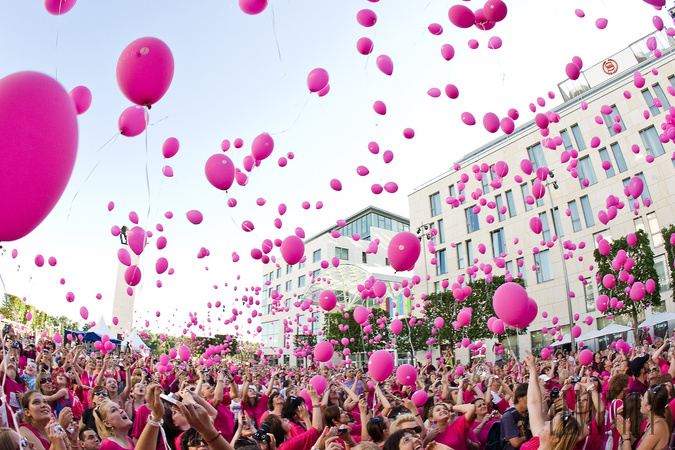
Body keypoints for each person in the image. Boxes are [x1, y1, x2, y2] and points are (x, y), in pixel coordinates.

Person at [520, 351, 582, 450]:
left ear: (555, 438)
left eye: (551, 423)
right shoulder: (537, 443)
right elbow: (534, 404)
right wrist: (532, 369)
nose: (546, 422)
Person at [617, 385, 671, 450]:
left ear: (649, 407)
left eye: (643, 399)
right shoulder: (652, 422)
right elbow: (641, 444)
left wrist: (626, 437)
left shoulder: (657, 427)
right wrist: (629, 434)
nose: (640, 400)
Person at [500, 384, 529, 450]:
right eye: (528, 398)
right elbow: (516, 443)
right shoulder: (509, 416)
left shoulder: (529, 414)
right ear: (519, 398)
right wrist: (529, 436)